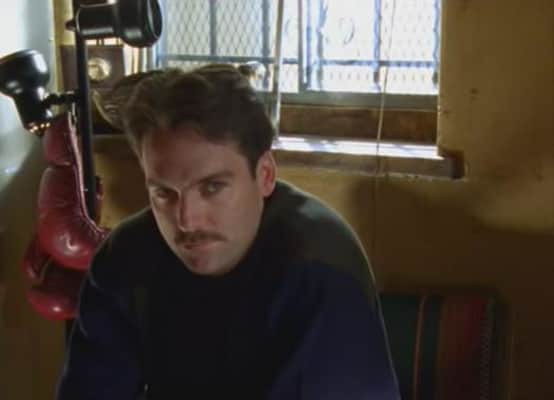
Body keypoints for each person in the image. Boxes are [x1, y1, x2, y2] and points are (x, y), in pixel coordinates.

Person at [56, 64, 400, 399]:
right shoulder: (124, 257)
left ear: (264, 175)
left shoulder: (319, 268)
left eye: (212, 188)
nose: (187, 220)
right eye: (164, 193)